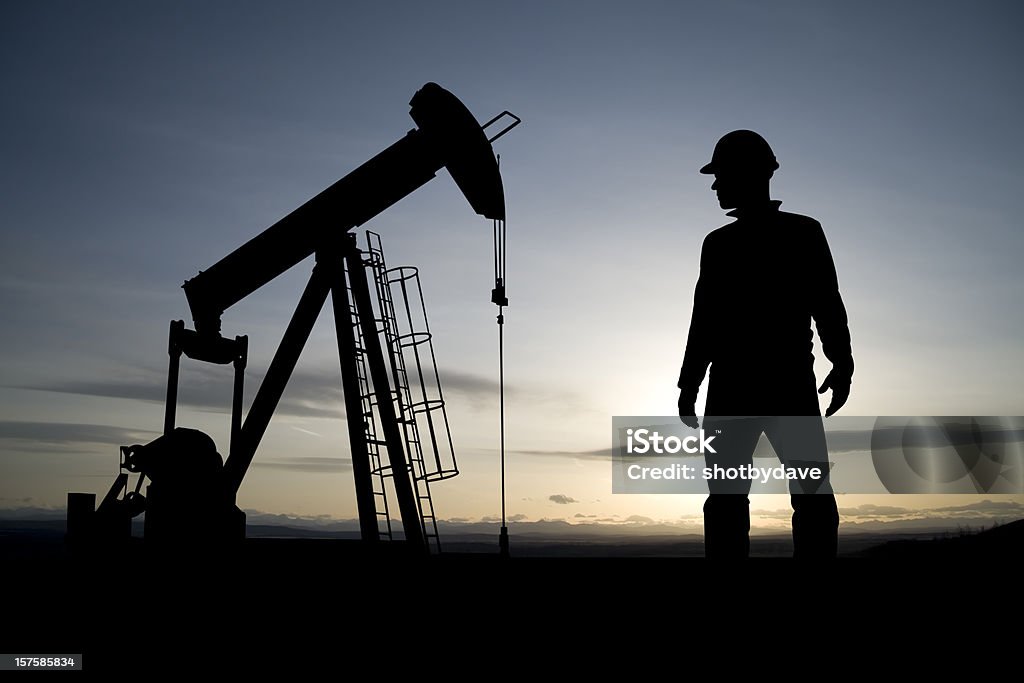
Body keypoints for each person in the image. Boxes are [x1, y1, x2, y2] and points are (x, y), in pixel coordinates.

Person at [677, 130, 854, 558]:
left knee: (734, 496)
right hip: (781, 381)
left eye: (720, 176)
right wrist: (841, 361)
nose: (716, 186)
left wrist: (690, 383)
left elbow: (825, 302)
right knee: (789, 493)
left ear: (747, 175)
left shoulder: (730, 243)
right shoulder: (781, 235)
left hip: (750, 384)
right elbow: (707, 319)